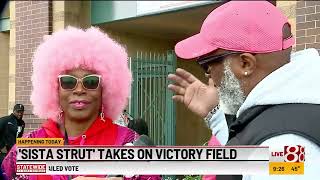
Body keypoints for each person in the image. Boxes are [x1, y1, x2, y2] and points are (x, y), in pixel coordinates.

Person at [168, 1, 320, 180]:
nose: (209, 76)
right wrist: (215, 115)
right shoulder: (288, 111)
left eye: (206, 64)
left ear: (245, 63)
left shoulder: (282, 145)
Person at [1, 26, 160, 180]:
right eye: (68, 82)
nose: (79, 90)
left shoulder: (127, 142)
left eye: (91, 82)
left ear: (105, 90)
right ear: (55, 89)